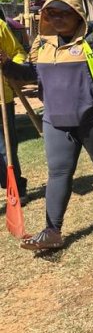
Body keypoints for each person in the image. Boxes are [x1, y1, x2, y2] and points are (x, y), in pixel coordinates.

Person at [0, 0, 93, 251]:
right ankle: (53, 230)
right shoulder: (42, 43)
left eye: (65, 13)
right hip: (55, 119)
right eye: (52, 13)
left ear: (77, 14)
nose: (58, 18)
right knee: (58, 172)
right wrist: (7, 66)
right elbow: (32, 75)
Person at [0, 18, 27, 200]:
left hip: (2, 99)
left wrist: (8, 63)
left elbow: (19, 52)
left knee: (6, 148)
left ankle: (15, 187)